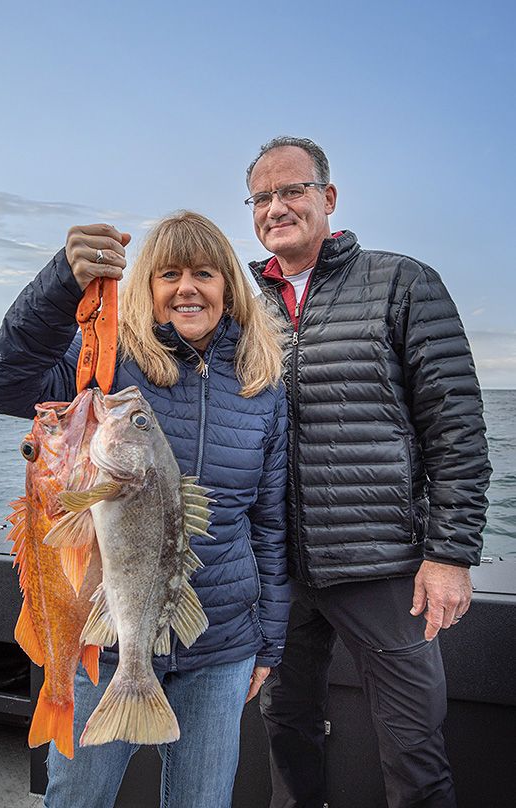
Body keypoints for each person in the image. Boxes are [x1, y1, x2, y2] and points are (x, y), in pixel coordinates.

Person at [0, 211, 290, 808]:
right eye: (169, 273)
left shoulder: (263, 383)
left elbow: (270, 522)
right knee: (77, 798)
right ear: (148, 284)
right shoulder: (105, 359)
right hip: (106, 639)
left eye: (204, 272)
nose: (187, 288)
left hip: (220, 640)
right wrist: (60, 283)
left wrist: (268, 642)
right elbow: (5, 384)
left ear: (229, 283)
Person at [244, 136, 491, 808]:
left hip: (384, 567)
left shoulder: (401, 280)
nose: (277, 206)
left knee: (414, 744)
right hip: (279, 572)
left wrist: (449, 553)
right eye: (262, 197)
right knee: (285, 731)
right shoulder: (238, 301)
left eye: (292, 189)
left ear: (327, 197)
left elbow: (456, 427)